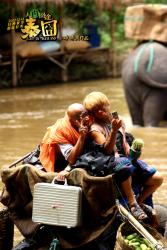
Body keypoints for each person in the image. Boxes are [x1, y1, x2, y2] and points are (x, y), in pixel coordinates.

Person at [83, 91, 163, 220]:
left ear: (107, 105)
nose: (100, 112)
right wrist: (114, 130)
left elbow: (125, 142)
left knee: (157, 178)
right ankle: (132, 204)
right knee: (124, 164)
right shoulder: (95, 129)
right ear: (92, 113)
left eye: (102, 108)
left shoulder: (118, 121)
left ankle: (139, 202)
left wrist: (134, 153)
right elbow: (107, 151)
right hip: (111, 162)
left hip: (126, 158)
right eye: (95, 111)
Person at [39, 103, 91, 179]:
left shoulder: (87, 119)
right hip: (61, 159)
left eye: (87, 114)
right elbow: (71, 159)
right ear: (75, 121)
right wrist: (81, 137)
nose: (87, 118)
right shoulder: (61, 130)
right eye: (83, 117)